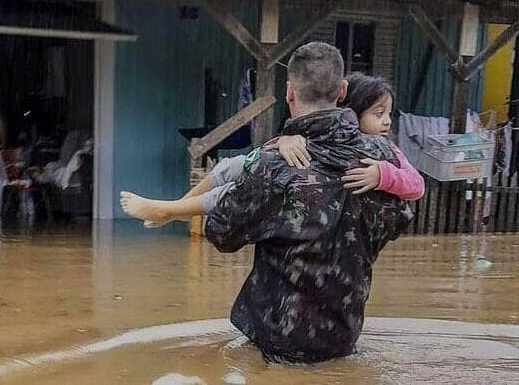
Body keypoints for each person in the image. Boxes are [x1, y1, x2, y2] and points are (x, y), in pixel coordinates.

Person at [130, 42, 413, 362]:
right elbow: (400, 217)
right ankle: (168, 208)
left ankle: (168, 208)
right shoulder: (383, 157)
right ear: (342, 89)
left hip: (279, 337)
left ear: (290, 92)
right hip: (345, 335)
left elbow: (223, 234)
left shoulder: (274, 163)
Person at [119, 73, 424, 226]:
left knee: (238, 191)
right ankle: (177, 209)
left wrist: (383, 175)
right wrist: (285, 140)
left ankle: (169, 211)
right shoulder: (315, 134)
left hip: (319, 210)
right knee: (232, 167)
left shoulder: (384, 152)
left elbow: (416, 185)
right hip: (308, 201)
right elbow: (272, 153)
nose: (386, 122)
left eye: (388, 115)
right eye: (378, 113)